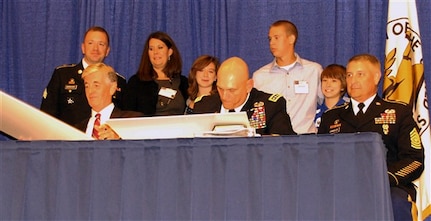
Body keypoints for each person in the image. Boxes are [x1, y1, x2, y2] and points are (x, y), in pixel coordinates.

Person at [318, 54, 424, 221]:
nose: (353, 80)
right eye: (349, 75)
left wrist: (384, 177)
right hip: (342, 186)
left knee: (396, 203)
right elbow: (321, 159)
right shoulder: (331, 117)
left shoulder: (398, 112)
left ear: (376, 77)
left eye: (360, 74)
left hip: (387, 186)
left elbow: (414, 160)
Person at [40, 26, 126, 126]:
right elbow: (46, 115)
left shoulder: (118, 81)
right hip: (67, 139)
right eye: (90, 43)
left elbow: (123, 120)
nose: (95, 49)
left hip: (104, 139)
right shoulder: (62, 75)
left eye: (101, 44)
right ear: (83, 48)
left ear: (107, 50)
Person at [193, 57, 296, 136]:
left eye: (231, 90)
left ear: (248, 86)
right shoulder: (203, 106)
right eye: (220, 89)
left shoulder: (270, 107)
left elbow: (285, 146)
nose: (224, 96)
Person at [252, 20, 323, 134]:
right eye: (270, 39)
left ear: (291, 39)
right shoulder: (260, 76)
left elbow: (329, 101)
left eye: (276, 38)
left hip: (306, 140)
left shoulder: (314, 71)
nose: (272, 43)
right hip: (274, 142)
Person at [123, 31, 188, 116]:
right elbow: (127, 114)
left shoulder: (183, 82)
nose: (155, 52)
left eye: (160, 47)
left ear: (170, 52)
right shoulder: (136, 82)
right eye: (151, 49)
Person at [75, 63, 143, 140]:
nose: (90, 91)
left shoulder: (131, 122)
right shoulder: (77, 129)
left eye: (96, 85)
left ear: (112, 88)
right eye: (87, 86)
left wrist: (119, 140)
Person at [314, 64, 349, 129]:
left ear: (343, 86)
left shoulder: (349, 111)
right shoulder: (314, 112)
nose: (328, 85)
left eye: (334, 81)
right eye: (325, 80)